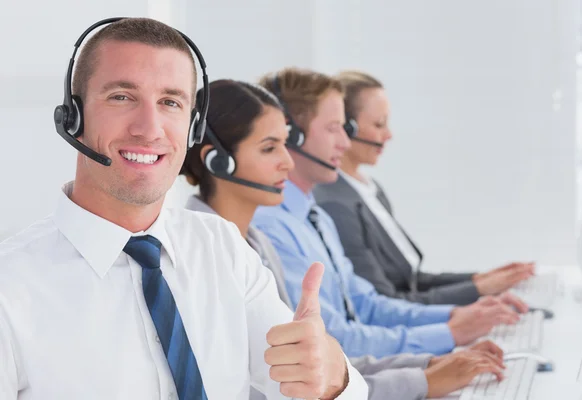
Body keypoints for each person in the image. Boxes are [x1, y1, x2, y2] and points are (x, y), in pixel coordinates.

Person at [0, 18, 367, 399]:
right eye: (122, 97)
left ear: (192, 128)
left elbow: (300, 385)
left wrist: (333, 373)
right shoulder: (10, 287)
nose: (149, 127)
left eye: (170, 102)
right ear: (72, 117)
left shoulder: (222, 247)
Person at [181, 78, 507, 400]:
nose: (288, 161)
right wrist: (420, 379)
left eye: (284, 143)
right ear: (218, 162)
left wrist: (424, 365)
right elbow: (289, 378)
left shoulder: (254, 241)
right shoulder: (206, 256)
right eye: (269, 148)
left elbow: (324, 358)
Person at [252, 67, 521, 359]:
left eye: (346, 129)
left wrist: (455, 315)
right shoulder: (273, 228)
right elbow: (334, 339)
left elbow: (366, 305)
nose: (344, 142)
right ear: (291, 137)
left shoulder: (316, 217)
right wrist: (448, 334)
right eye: (333, 129)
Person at [313, 70, 535, 306]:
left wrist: (481, 280)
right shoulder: (335, 205)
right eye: (379, 124)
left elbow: (410, 280)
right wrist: (478, 290)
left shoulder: (370, 189)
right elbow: (386, 301)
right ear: (346, 129)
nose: (388, 135)